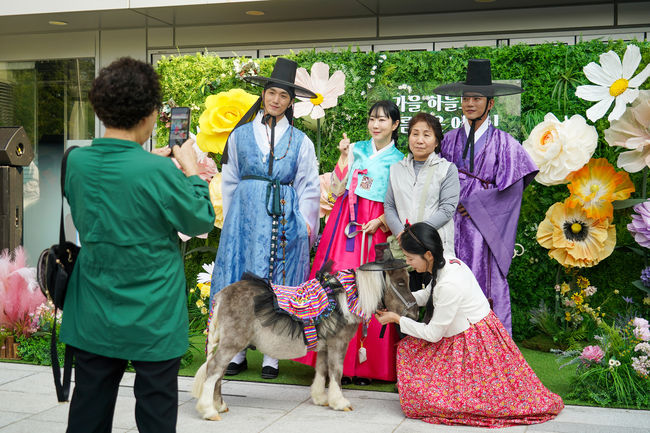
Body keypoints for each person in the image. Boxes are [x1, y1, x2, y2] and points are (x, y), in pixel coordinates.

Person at [59, 57, 215, 433]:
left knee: (89, 408)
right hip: (153, 310)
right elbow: (199, 219)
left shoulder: (75, 161)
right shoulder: (157, 171)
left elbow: (114, 183)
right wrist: (191, 170)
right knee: (156, 411)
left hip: (93, 305)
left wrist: (148, 164)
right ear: (149, 114)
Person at [375, 222, 563, 428]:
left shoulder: (449, 283)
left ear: (428, 255)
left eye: (410, 258)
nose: (408, 263)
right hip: (463, 331)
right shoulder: (445, 262)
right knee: (411, 350)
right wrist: (398, 300)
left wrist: (397, 319)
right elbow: (429, 294)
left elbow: (433, 333)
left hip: (473, 341)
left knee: (457, 397)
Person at [209, 58, 320, 380]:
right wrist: (232, 219)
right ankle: (237, 350)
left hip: (283, 219)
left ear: (291, 102)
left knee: (279, 283)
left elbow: (309, 185)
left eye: (283, 96)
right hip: (244, 220)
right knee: (241, 283)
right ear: (263, 95)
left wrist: (306, 225)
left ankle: (273, 354)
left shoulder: (301, 141)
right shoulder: (240, 135)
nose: (276, 100)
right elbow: (230, 179)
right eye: (272, 93)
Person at [297, 100, 404, 385]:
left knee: (372, 290)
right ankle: (334, 362)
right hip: (346, 224)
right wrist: (344, 158)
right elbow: (336, 188)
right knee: (338, 287)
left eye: (382, 120)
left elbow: (400, 200)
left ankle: (366, 365)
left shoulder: (399, 160)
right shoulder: (355, 149)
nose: (375, 125)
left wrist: (381, 220)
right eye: (372, 119)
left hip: (375, 228)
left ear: (395, 124)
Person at [435, 59, 538, 334]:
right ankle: (449, 349)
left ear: (490, 103)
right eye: (466, 98)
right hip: (450, 224)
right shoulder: (447, 140)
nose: (470, 103)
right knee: (447, 282)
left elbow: (515, 187)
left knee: (485, 283)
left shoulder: (505, 143)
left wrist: (478, 204)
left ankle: (490, 348)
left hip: (484, 229)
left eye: (477, 98)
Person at [384, 112, 459, 292]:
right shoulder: (396, 169)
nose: (419, 140)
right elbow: (389, 206)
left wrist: (417, 234)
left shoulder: (447, 169)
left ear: (436, 141)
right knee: (405, 300)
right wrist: (402, 234)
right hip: (403, 249)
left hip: (435, 246)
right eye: (415, 133)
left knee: (437, 297)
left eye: (426, 135)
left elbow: (447, 209)